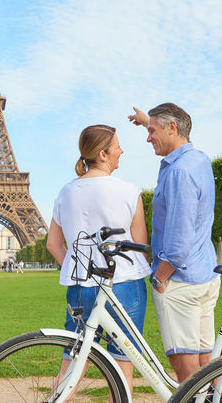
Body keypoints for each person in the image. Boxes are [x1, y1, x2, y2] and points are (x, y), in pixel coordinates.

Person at [46, 124, 150, 394]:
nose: (121, 150)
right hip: (125, 284)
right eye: (117, 146)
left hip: (80, 287)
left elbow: (53, 244)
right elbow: (140, 246)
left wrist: (78, 265)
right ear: (103, 154)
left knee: (72, 363)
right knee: (122, 368)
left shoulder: (65, 192)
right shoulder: (129, 191)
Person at [128, 103, 220, 383]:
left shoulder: (179, 172)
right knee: (207, 364)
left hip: (179, 282)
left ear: (172, 128)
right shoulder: (198, 159)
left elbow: (180, 237)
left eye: (152, 131)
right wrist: (148, 121)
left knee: (187, 372)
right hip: (204, 276)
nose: (148, 137)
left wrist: (159, 277)